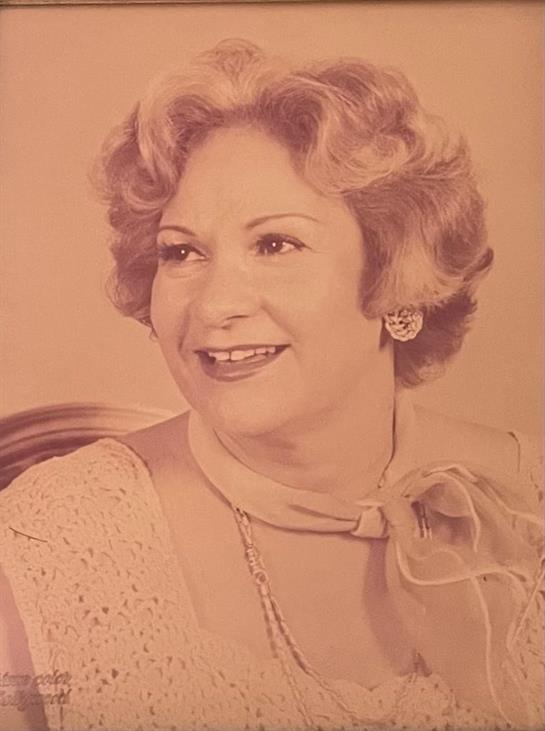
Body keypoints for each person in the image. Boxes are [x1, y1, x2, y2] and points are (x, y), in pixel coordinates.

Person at [0, 40, 543, 731]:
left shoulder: (531, 497)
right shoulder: (50, 542)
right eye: (181, 252)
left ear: (396, 277)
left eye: (276, 244)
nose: (215, 304)